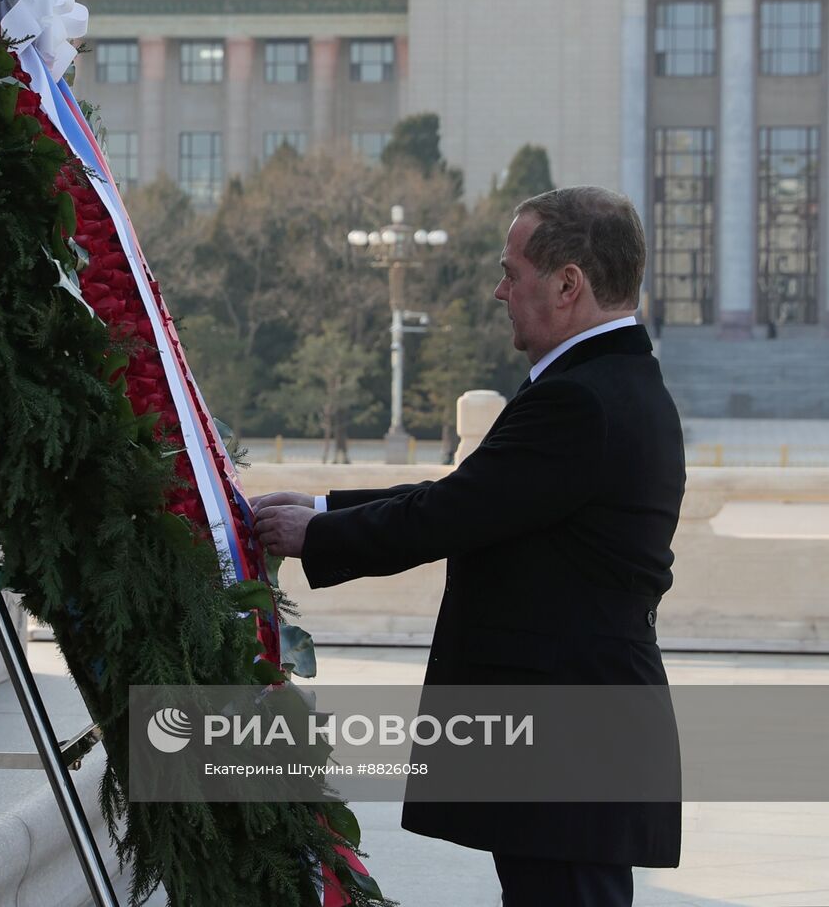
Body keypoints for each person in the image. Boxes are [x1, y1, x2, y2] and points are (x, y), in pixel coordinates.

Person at [253, 186, 684, 907]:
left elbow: (455, 511)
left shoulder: (581, 399)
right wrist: (324, 507)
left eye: (512, 272)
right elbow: (479, 492)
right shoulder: (611, 382)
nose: (499, 290)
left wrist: (319, 533)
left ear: (568, 282)